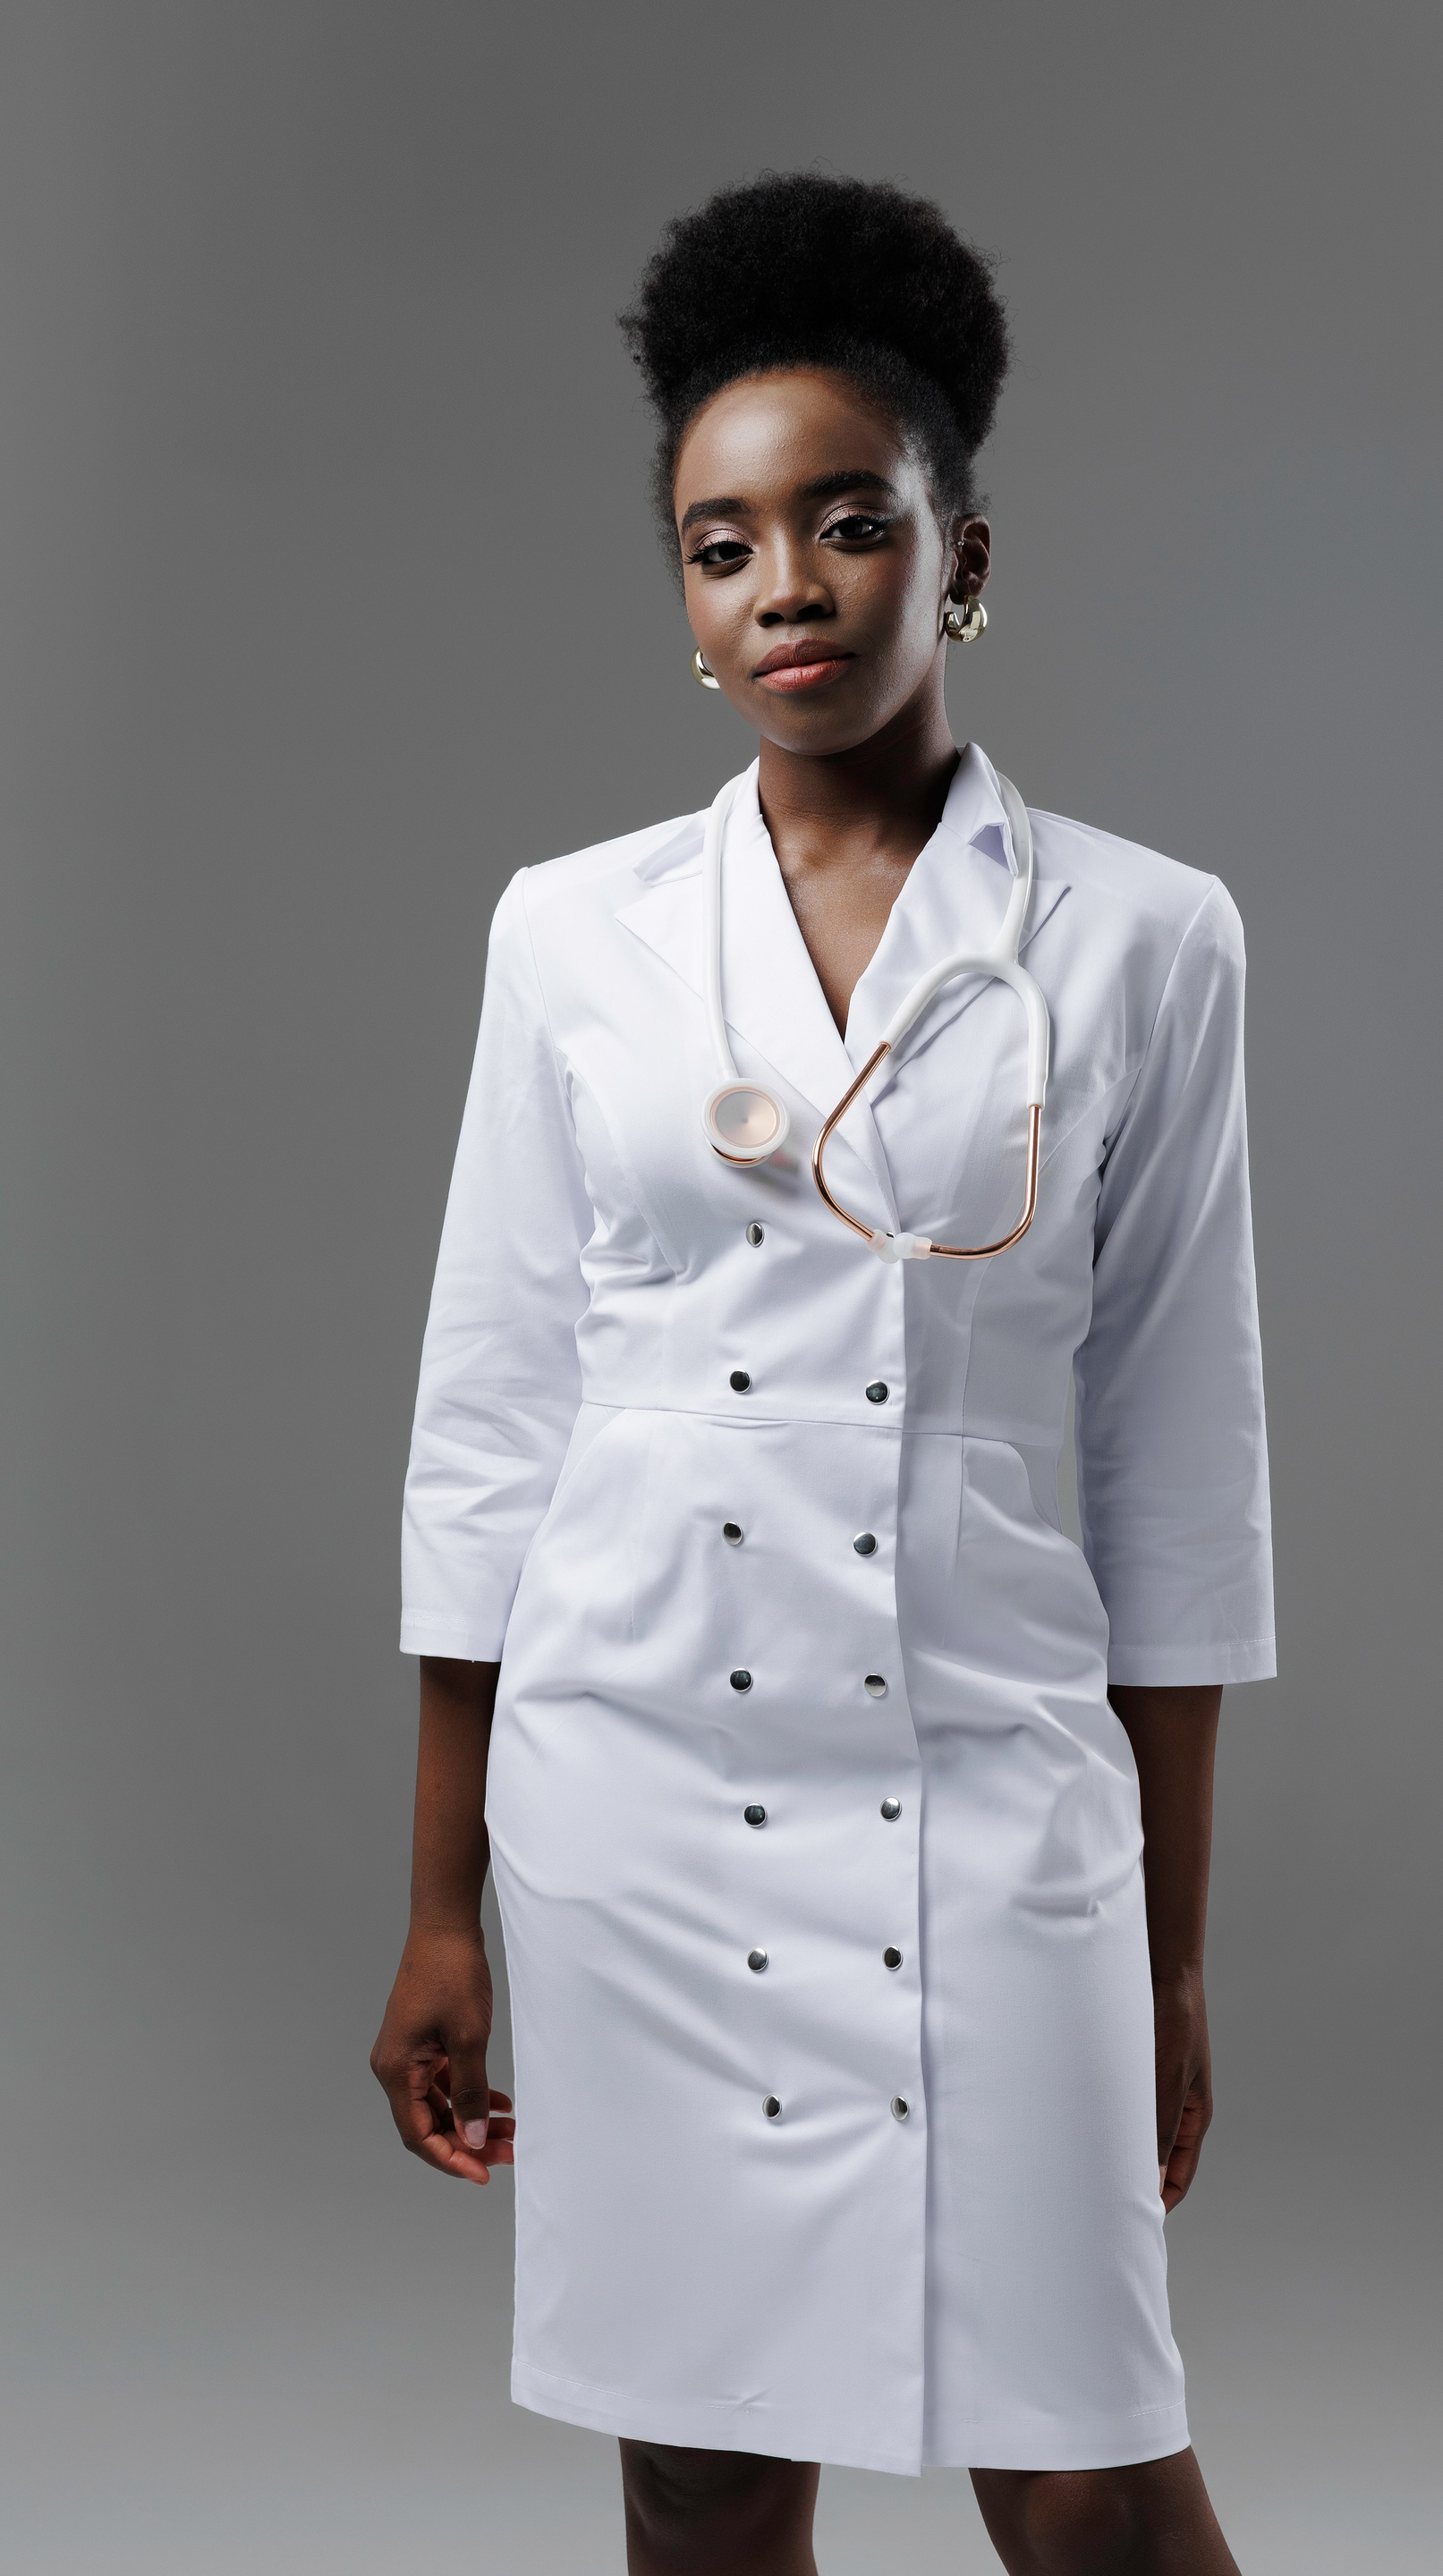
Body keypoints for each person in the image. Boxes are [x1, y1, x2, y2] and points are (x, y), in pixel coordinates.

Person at [371, 173, 1274, 2576]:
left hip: (989, 1780)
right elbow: (491, 1423)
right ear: (686, 601)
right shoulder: (572, 934)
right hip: (636, 1795)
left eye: (849, 521)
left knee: (1086, 2488)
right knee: (698, 2474)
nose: (787, 583)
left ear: (958, 556)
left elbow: (1179, 1471)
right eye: (723, 545)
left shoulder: (1146, 940)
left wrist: (1172, 1949)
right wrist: (443, 1902)